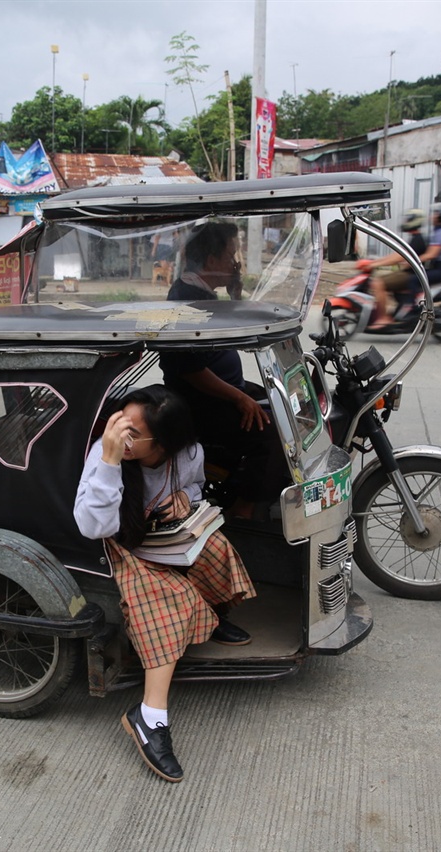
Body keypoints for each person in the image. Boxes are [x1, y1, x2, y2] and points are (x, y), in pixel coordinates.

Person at [74, 386, 256, 783]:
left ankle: (207, 617)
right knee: (168, 598)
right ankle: (150, 716)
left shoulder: (188, 454)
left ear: (166, 442)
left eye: (133, 432)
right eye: (121, 421)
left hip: (165, 534)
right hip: (120, 545)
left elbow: (195, 487)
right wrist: (109, 460)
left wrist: (184, 500)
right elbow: (92, 526)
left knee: (216, 549)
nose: (122, 433)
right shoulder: (106, 453)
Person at [162, 221, 285, 520]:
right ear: (212, 260)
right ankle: (244, 511)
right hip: (201, 403)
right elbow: (191, 370)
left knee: (283, 405)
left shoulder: (203, 292)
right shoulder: (187, 298)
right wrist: (239, 399)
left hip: (226, 390)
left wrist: (235, 295)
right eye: (231, 255)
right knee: (275, 435)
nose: (235, 263)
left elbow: (238, 334)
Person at [359, 203, 441, 325]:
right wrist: (375, 262)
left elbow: (430, 254)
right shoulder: (429, 234)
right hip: (439, 268)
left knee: (410, 281)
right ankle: (401, 310)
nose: (432, 217)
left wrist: (413, 261)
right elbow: (399, 254)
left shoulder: (437, 234)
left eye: (435, 214)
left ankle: (411, 310)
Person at [356, 208, 428, 329]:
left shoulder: (418, 239)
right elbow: (397, 255)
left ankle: (383, 318)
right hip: (408, 273)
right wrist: (374, 262)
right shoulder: (415, 238)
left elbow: (399, 257)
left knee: (378, 283)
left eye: (408, 219)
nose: (405, 222)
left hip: (411, 275)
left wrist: (374, 264)